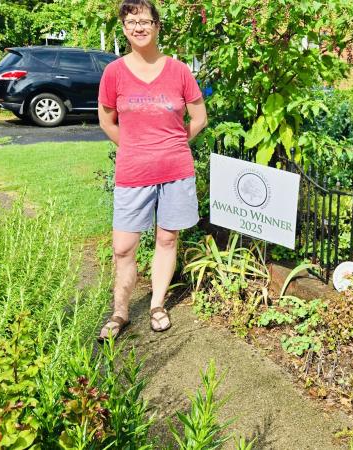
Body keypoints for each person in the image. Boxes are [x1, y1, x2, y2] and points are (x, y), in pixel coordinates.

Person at [97, 0, 208, 340]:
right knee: (123, 247)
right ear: (124, 28)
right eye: (131, 21)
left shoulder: (178, 71)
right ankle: (120, 312)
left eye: (145, 20)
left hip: (176, 170)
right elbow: (106, 120)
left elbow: (199, 117)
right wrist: (134, 146)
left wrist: (174, 144)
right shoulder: (114, 72)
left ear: (158, 26)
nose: (138, 27)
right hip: (133, 172)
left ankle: (157, 304)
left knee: (166, 237)